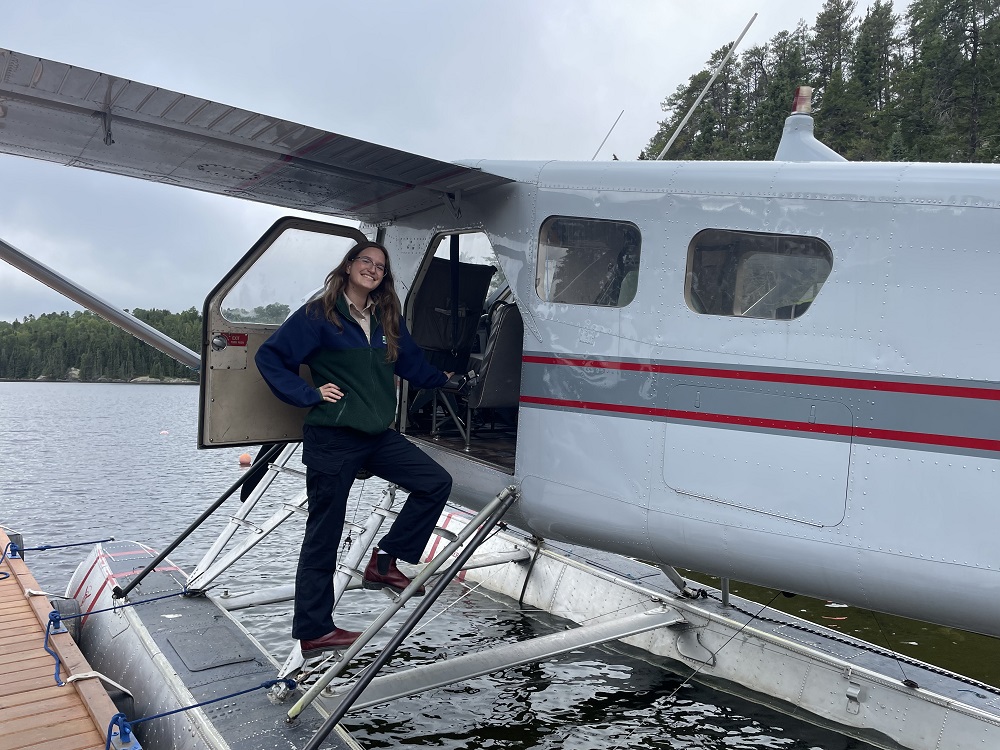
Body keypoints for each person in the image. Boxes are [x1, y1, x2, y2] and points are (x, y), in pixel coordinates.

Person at [255, 240, 453, 659]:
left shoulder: (385, 319)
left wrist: (448, 380)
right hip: (333, 436)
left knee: (435, 482)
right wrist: (308, 393)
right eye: (366, 261)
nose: (374, 269)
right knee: (323, 537)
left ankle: (384, 561)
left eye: (381, 266)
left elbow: (412, 363)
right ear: (348, 267)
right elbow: (270, 357)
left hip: (375, 435)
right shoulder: (318, 315)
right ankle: (314, 630)